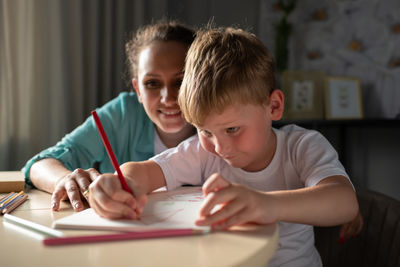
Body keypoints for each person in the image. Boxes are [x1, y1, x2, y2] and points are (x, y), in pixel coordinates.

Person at [87, 26, 359, 266]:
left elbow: (344, 202)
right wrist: (119, 185)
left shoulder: (301, 146)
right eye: (204, 130)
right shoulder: (202, 151)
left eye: (232, 129)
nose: (219, 146)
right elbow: (143, 171)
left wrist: (264, 204)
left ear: (274, 106)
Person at [22, 21, 196, 212]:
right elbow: (39, 165)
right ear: (138, 89)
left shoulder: (222, 122)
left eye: (180, 82)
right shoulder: (123, 114)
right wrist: (64, 180)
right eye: (152, 83)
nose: (168, 98)